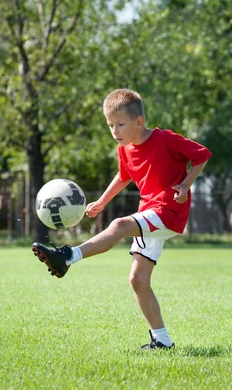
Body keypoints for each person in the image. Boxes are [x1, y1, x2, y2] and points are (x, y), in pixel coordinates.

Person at [32, 89, 212, 350]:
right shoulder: (124, 148)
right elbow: (123, 176)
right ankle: (162, 340)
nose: (114, 131)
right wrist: (102, 201)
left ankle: (67, 256)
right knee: (138, 280)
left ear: (138, 122)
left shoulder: (165, 139)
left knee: (118, 225)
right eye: (110, 125)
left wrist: (185, 185)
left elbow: (202, 155)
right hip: (148, 210)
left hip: (169, 209)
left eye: (120, 124)